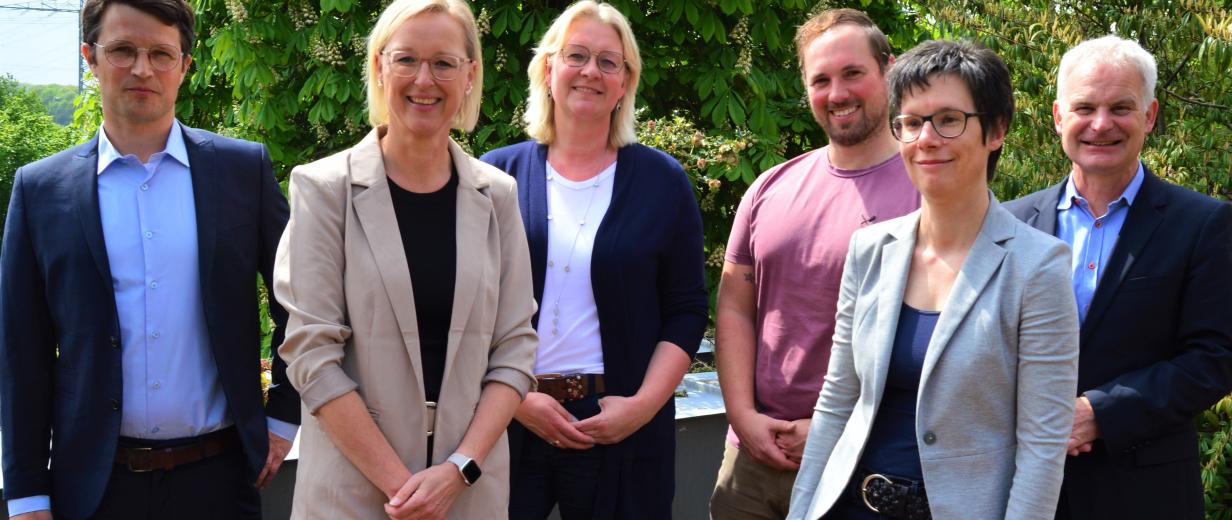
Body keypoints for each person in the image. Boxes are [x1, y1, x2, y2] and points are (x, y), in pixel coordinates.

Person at [0, 0, 300, 518]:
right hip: (91, 490)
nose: (142, 68)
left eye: (161, 53)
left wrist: (282, 421)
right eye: (122, 50)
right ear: (89, 58)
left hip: (223, 482)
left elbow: (298, 303)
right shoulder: (40, 191)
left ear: (185, 65)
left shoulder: (241, 171)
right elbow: (20, 351)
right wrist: (26, 493)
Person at [788, 40, 1081, 520]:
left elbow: (1042, 446)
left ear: (996, 131)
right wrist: (801, 510)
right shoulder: (870, 250)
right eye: (910, 122)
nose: (926, 138)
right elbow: (838, 401)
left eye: (949, 120)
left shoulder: (1038, 266)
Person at [272, 0, 539, 518]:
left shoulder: (498, 195)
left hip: (468, 492)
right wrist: (406, 488)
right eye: (406, 60)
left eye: (443, 62)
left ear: (469, 75)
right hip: (353, 493)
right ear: (378, 67)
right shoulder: (323, 189)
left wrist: (458, 469)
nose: (425, 79)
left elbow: (515, 347)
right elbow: (311, 356)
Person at [480, 2, 708, 518]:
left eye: (609, 62)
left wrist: (643, 408)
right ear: (547, 68)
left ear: (626, 81)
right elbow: (466, 309)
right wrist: (515, 399)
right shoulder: (495, 177)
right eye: (576, 55)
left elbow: (687, 308)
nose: (590, 71)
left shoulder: (662, 182)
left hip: (621, 423)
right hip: (508, 419)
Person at [1004, 35, 1232, 520]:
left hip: (1143, 493)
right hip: (1017, 487)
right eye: (1084, 107)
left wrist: (1101, 413)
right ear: (1058, 117)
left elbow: (1215, 358)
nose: (1101, 124)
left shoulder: (1203, 224)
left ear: (1149, 116)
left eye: (1121, 107)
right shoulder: (1008, 223)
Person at [710, 9, 920, 519]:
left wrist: (831, 428)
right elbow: (736, 308)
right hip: (750, 460)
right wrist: (743, 416)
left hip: (864, 461)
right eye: (820, 80)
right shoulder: (768, 187)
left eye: (852, 74)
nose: (837, 93)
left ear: (888, 71)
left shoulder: (930, 190)